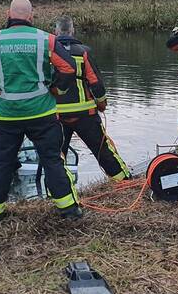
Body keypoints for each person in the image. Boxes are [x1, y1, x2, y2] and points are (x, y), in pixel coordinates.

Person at [0, 0, 82, 222]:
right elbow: (68, 67)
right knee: (52, 160)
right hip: (42, 114)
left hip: (7, 116)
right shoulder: (46, 39)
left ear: (8, 14)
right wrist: (57, 91)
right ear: (31, 17)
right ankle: (69, 210)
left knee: (1, 164)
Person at [53, 15, 131, 181]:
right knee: (103, 150)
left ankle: (57, 194)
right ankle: (124, 182)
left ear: (56, 31)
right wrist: (102, 104)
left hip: (56, 115)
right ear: (72, 31)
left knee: (56, 157)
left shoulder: (48, 54)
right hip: (84, 114)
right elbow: (95, 83)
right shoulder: (83, 52)